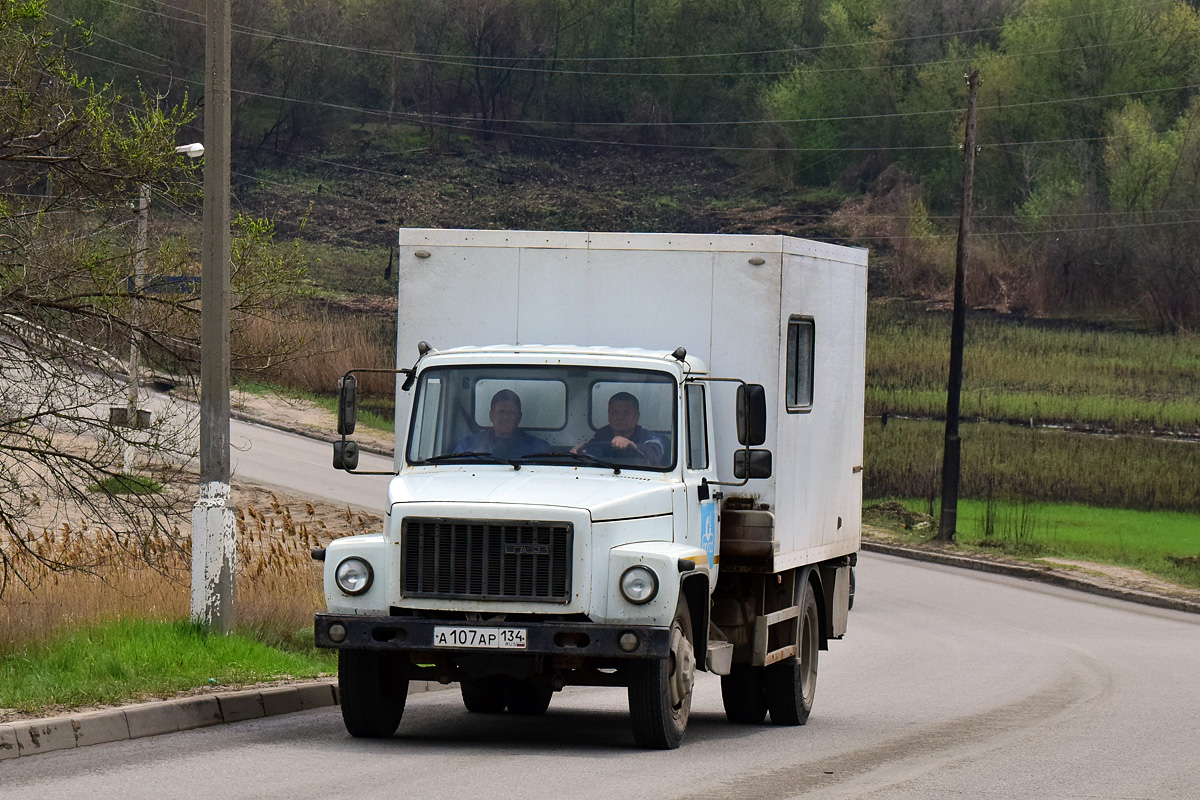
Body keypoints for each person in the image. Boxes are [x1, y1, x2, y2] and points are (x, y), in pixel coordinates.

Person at [574, 391, 665, 465]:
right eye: (615, 412)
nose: (620, 417)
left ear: (637, 416)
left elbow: (654, 456)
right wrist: (579, 452)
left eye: (626, 412)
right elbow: (591, 453)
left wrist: (632, 445)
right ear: (609, 416)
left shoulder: (651, 438)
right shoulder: (600, 437)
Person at [453, 389, 548, 460]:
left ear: (520, 417)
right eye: (501, 412)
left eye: (512, 413)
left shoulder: (537, 448)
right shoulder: (468, 445)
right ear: (491, 416)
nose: (506, 418)